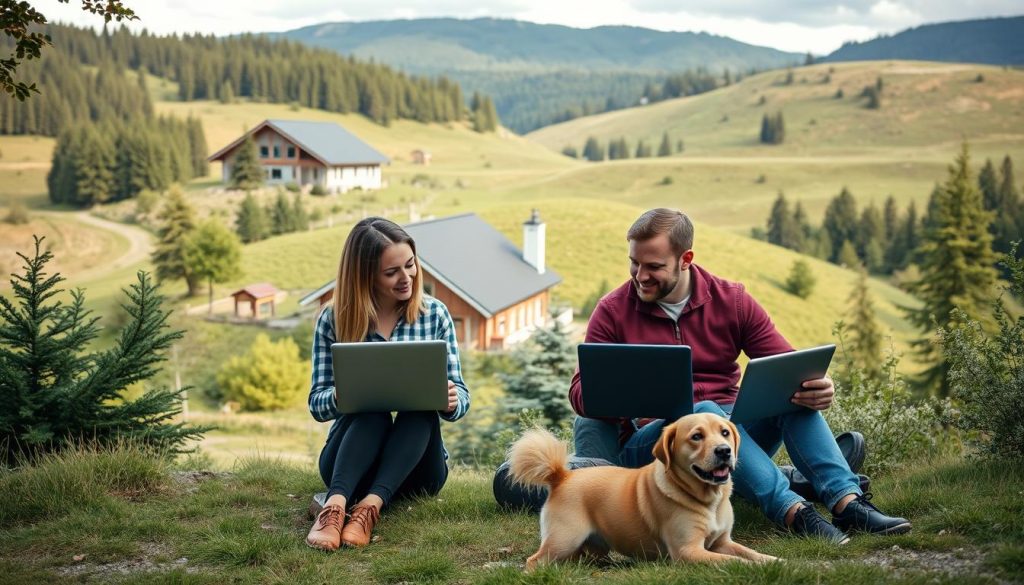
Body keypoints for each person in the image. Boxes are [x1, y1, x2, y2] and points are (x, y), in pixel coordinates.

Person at [568, 208, 910, 544]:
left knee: (793, 399)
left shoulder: (732, 301)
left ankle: (848, 502)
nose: (640, 275)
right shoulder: (613, 311)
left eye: (654, 266)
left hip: (733, 437)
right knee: (704, 411)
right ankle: (794, 512)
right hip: (661, 447)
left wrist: (815, 386)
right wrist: (630, 394)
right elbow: (580, 393)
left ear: (685, 259)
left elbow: (788, 367)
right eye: (634, 262)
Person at [305, 217, 470, 551]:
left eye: (410, 265)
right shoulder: (333, 318)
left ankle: (369, 509)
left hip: (416, 471)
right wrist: (344, 394)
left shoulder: (434, 315)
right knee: (372, 411)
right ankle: (334, 508)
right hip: (348, 467)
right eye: (391, 271)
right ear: (365, 276)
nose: (406, 277)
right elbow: (316, 404)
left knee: (420, 411)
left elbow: (462, 396)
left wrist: (451, 400)